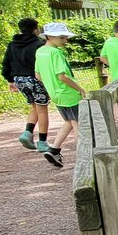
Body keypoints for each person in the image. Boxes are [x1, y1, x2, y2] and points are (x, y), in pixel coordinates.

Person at [35, 22, 87, 168]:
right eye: (62, 37)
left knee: (69, 122)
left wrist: (51, 85)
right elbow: (62, 76)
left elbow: (38, 75)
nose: (65, 40)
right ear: (50, 37)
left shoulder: (40, 52)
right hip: (68, 93)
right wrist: (80, 88)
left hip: (55, 93)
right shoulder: (56, 53)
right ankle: (84, 156)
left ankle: (54, 148)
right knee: (78, 124)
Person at [0, 17, 50, 152]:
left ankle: (27, 133)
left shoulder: (12, 44)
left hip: (19, 80)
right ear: (35, 29)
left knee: (35, 107)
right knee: (43, 109)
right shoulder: (39, 45)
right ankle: (43, 142)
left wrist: (10, 80)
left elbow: (6, 63)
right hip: (34, 79)